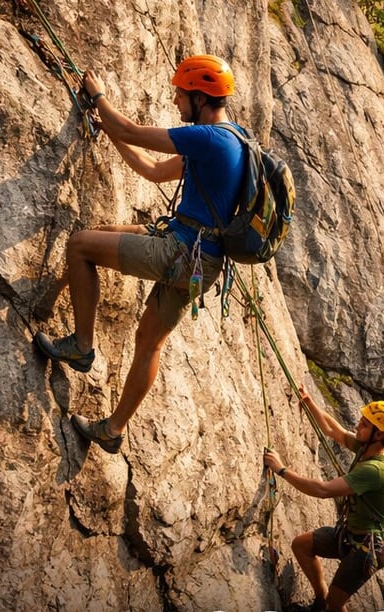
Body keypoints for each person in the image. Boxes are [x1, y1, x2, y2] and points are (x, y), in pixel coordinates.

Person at [34, 55, 246, 452]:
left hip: (181, 251)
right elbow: (150, 169)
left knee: (80, 245)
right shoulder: (232, 138)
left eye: (181, 94)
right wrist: (110, 132)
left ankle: (81, 347)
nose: (176, 100)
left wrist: (97, 95)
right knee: (149, 341)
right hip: (204, 262)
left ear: (199, 97)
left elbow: (130, 128)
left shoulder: (209, 138)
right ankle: (112, 431)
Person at [263, 401, 384, 612]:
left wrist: (281, 470)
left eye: (364, 425)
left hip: (367, 549)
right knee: (302, 545)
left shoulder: (376, 469)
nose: (358, 426)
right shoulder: (370, 448)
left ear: (379, 435)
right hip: (352, 535)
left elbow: (323, 490)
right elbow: (333, 430)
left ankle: (326, 605)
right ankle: (320, 601)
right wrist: (308, 401)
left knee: (335, 606)